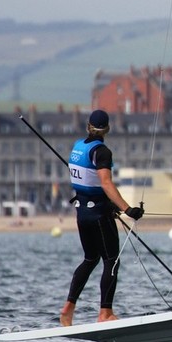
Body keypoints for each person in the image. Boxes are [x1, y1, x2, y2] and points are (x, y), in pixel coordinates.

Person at [59, 109, 144, 326]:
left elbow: (86, 182)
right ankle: (105, 312)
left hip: (82, 212)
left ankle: (68, 308)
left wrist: (108, 205)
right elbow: (105, 183)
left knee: (90, 259)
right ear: (107, 128)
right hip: (97, 214)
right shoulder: (102, 151)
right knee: (111, 260)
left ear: (88, 125)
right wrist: (126, 208)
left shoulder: (78, 147)